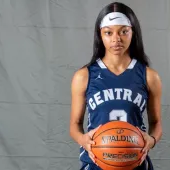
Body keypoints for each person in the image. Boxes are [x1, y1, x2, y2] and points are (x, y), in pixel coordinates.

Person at [69, 2, 162, 170]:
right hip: (96, 162)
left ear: (133, 32)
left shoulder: (149, 76)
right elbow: (74, 125)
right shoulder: (84, 76)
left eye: (123, 31)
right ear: (100, 35)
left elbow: (156, 122)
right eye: (108, 32)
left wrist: (152, 140)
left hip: (135, 162)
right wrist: (83, 140)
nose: (116, 39)